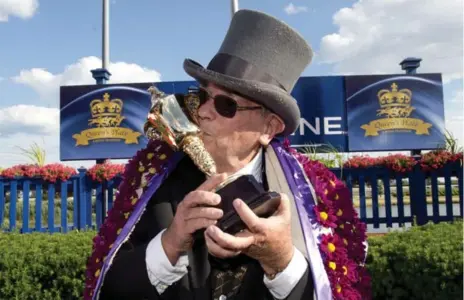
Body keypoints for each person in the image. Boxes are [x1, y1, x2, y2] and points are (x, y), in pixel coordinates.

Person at [84, 9, 370, 300]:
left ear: (269, 127)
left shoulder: (313, 200)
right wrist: (169, 244)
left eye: (226, 104)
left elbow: (339, 291)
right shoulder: (152, 184)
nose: (204, 111)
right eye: (203, 96)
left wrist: (281, 261)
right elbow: (109, 288)